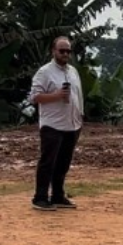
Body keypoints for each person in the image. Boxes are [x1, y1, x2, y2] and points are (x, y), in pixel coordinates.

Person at [27, 36, 83, 211]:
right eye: (62, 50)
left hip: (72, 124)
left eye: (68, 51)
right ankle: (40, 197)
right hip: (52, 124)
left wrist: (80, 115)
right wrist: (56, 95)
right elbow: (34, 97)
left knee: (63, 163)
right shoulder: (44, 72)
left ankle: (58, 195)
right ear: (53, 51)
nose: (65, 54)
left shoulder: (73, 71)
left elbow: (78, 94)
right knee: (48, 162)